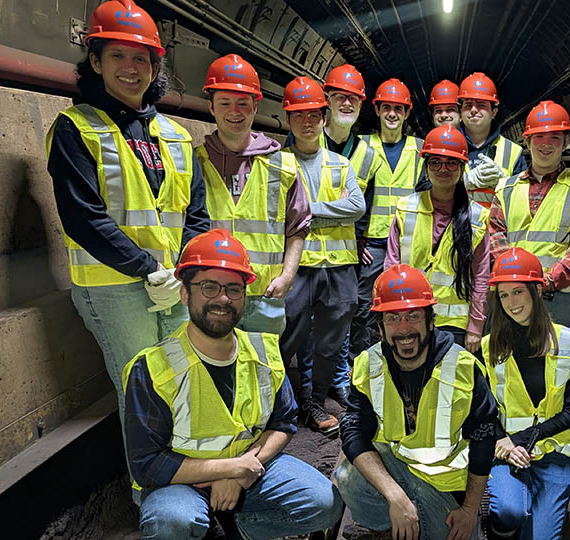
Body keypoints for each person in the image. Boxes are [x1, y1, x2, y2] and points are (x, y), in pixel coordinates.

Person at [45, 0, 209, 456]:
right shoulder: (75, 129)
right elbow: (83, 217)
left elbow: (195, 214)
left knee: (181, 376)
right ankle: (152, 493)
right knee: (140, 388)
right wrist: (146, 269)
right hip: (115, 287)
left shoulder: (175, 135)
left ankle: (189, 475)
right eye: (118, 55)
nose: (131, 68)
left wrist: (185, 270)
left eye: (142, 58)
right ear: (95, 61)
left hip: (174, 282)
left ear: (155, 66)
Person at [122, 229, 343, 539]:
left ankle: (237, 529)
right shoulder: (152, 368)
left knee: (325, 503)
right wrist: (230, 469)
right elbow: (147, 464)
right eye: (209, 287)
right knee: (173, 523)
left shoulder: (264, 352)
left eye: (233, 289)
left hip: (249, 469)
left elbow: (283, 423)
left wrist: (241, 471)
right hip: (181, 484)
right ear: (185, 294)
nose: (222, 298)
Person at [334, 265, 498, 540]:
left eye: (413, 316)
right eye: (393, 319)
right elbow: (353, 433)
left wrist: (470, 510)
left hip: (446, 486)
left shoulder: (463, 367)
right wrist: (396, 497)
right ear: (380, 327)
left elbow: (484, 440)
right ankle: (389, 527)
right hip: (397, 467)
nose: (403, 329)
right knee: (349, 479)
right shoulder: (368, 365)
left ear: (430, 321)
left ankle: (414, 523)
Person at [291, 63, 384, 413]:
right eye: (339, 97)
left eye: (353, 99)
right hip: (301, 259)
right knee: (301, 333)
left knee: (339, 328)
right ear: (325, 101)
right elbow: (284, 207)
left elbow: (362, 205)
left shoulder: (362, 154)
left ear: (361, 105)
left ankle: (335, 384)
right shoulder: (294, 145)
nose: (346, 104)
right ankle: (304, 397)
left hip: (346, 253)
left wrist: (310, 211)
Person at [197, 54, 309, 335]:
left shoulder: (282, 165)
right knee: (213, 374)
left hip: (264, 297)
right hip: (210, 295)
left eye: (243, 103)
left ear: (255, 106)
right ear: (211, 107)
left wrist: (287, 276)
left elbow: (298, 228)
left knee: (263, 373)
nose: (235, 111)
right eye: (225, 102)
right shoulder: (194, 162)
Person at [280, 76, 365, 435]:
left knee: (331, 342)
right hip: (297, 268)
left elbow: (357, 207)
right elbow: (278, 212)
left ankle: (313, 402)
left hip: (339, 268)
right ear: (288, 118)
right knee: (287, 340)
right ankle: (284, 405)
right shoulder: (278, 163)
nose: (307, 122)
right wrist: (331, 209)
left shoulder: (340, 164)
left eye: (314, 114)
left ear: (324, 117)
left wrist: (307, 208)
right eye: (299, 115)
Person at [482, 247, 570, 540]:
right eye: (503, 295)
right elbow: (483, 408)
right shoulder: (489, 347)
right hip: (506, 452)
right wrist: (506, 441)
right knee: (510, 512)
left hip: (553, 452)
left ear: (537, 291)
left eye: (518, 292)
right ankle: (501, 527)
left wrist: (525, 438)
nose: (511, 303)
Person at [486, 100, 570, 326]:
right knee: (508, 356)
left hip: (556, 295)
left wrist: (547, 281)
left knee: (552, 357)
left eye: (555, 138)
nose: (546, 144)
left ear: (565, 143)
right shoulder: (506, 188)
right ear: (527, 141)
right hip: (511, 292)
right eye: (539, 137)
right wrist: (515, 279)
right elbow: (495, 235)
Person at [384, 125, 490, 353]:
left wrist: (475, 327)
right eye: (435, 162)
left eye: (452, 163)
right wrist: (389, 316)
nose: (443, 169)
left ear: (462, 169)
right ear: (426, 169)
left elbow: (481, 277)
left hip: (455, 326)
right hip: (408, 317)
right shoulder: (406, 209)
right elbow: (391, 268)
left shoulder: (478, 217)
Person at [351, 78, 425, 357]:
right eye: (387, 108)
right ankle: (361, 359)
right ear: (378, 110)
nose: (392, 114)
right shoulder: (364, 146)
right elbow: (353, 195)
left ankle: (397, 357)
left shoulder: (419, 149)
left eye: (398, 108)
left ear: (407, 113)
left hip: (407, 242)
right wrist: (357, 239)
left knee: (403, 304)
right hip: (372, 244)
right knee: (362, 305)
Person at [457, 72, 527, 209]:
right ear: (461, 112)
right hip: (454, 228)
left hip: (497, 228)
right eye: (468, 105)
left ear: (494, 112)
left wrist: (504, 184)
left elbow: (524, 199)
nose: (473, 110)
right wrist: (462, 183)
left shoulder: (513, 152)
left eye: (481, 105)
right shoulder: (446, 146)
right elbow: (425, 191)